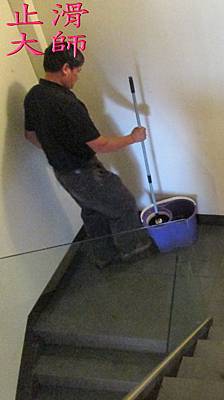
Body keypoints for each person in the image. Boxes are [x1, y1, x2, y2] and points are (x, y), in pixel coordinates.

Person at [24, 45, 153, 268]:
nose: (77, 77)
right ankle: (135, 252)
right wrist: (133, 137)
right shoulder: (67, 103)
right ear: (65, 69)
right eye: (77, 71)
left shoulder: (34, 95)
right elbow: (100, 145)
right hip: (82, 171)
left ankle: (105, 257)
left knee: (93, 212)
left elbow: (30, 135)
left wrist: (57, 150)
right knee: (123, 204)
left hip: (63, 172)